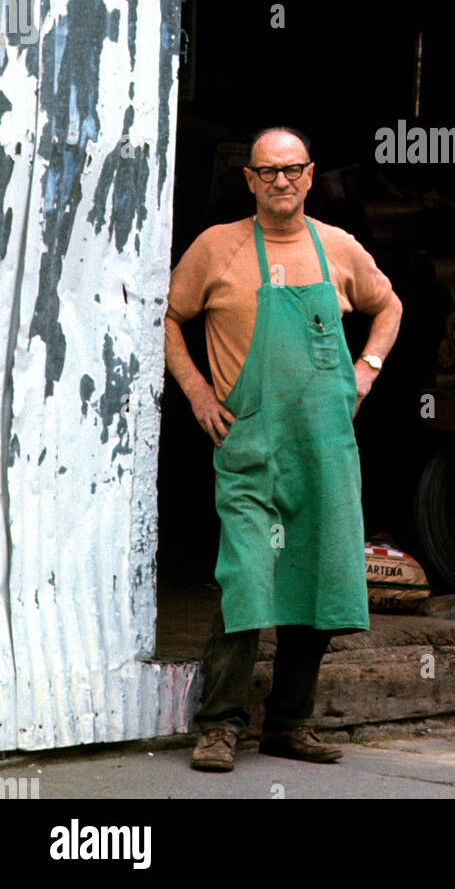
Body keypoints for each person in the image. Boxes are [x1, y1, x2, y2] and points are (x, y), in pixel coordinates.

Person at [164, 125, 402, 771]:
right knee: (245, 579)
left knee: (315, 581)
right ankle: (218, 726)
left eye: (291, 169)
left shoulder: (338, 249)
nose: (280, 181)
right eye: (267, 171)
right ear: (249, 180)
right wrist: (196, 392)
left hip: (322, 450)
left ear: (310, 174)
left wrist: (367, 367)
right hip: (250, 447)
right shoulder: (216, 248)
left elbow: (389, 306)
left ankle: (288, 724)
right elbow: (169, 319)